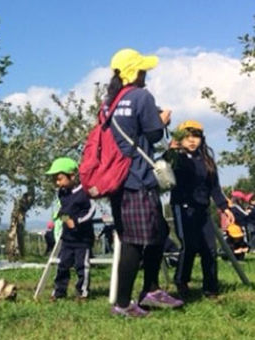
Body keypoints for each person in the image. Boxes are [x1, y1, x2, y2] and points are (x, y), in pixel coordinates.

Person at [107, 48, 183, 317]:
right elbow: (153, 136)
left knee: (158, 232)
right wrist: (162, 121)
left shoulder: (111, 102)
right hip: (138, 180)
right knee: (134, 241)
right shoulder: (141, 96)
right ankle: (123, 304)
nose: (146, 74)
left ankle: (150, 290)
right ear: (134, 72)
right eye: (143, 69)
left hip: (116, 180)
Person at [164, 120, 234, 298]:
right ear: (180, 139)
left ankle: (211, 287)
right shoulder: (176, 158)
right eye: (187, 136)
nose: (192, 140)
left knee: (210, 248)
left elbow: (214, 187)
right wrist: (170, 150)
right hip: (183, 206)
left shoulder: (206, 161)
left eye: (196, 136)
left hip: (203, 209)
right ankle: (182, 280)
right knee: (189, 245)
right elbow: (162, 167)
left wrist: (224, 207)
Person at [46, 157, 96, 301]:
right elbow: (61, 212)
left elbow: (91, 210)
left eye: (60, 179)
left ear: (72, 176)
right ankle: (59, 292)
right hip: (67, 238)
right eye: (55, 179)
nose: (57, 183)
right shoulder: (62, 193)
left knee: (82, 266)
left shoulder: (84, 192)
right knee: (63, 265)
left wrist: (77, 222)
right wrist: (64, 219)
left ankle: (82, 292)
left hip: (83, 239)